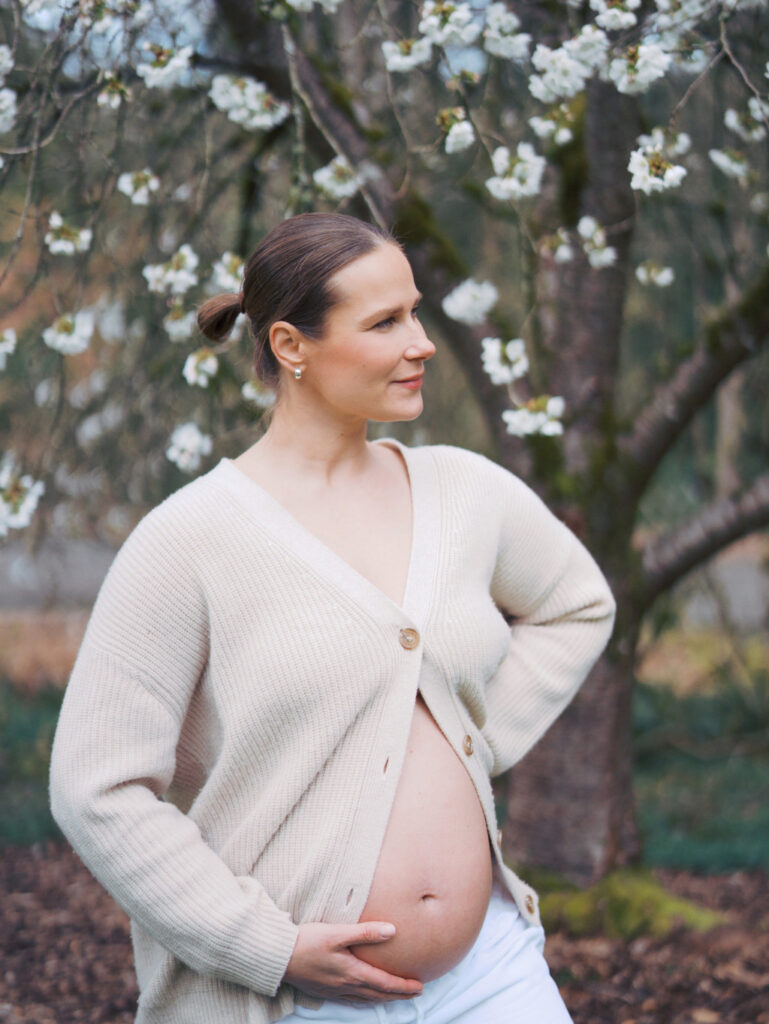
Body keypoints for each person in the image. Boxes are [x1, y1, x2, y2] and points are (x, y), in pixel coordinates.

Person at [50, 211, 616, 1024]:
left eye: (414, 312)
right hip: (293, 1001)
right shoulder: (189, 540)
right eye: (385, 322)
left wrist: (471, 743)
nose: (420, 342)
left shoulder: (464, 491)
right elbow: (94, 786)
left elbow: (576, 605)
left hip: (492, 973)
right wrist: (264, 947)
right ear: (290, 346)